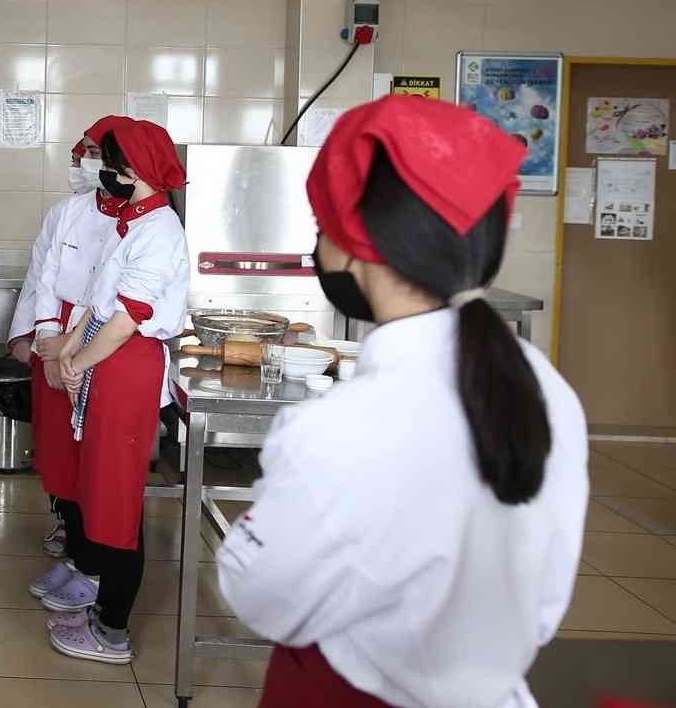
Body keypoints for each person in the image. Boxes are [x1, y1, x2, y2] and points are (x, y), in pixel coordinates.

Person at [216, 96, 589, 707]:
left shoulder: (341, 426)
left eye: (321, 225)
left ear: (361, 245)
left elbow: (262, 598)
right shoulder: (545, 390)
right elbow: (543, 606)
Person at [43, 118, 189, 665]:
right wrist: (68, 352)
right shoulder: (134, 223)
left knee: (119, 498)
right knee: (100, 491)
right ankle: (101, 599)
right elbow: (96, 304)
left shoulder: (160, 231)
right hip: (108, 366)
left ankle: (112, 630)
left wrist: (78, 357)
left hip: (128, 370)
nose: (107, 174)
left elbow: (129, 318)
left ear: (138, 171)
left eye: (115, 165)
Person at [6, 117, 130, 559]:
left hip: (108, 344)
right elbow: (41, 276)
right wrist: (38, 338)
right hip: (54, 335)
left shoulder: (144, 218)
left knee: (98, 454)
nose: (87, 163)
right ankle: (68, 524)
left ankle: (93, 550)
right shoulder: (65, 213)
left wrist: (74, 347)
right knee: (59, 447)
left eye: (99, 154)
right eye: (85, 153)